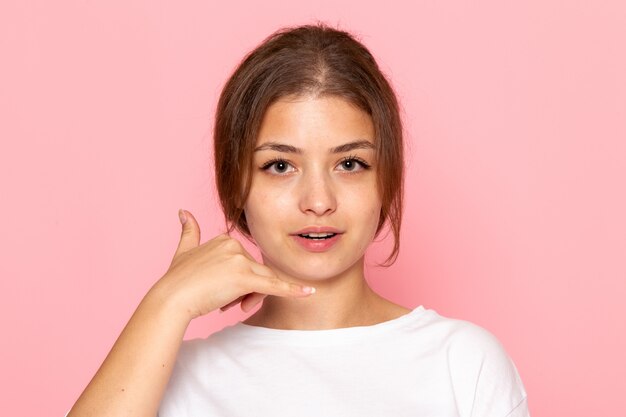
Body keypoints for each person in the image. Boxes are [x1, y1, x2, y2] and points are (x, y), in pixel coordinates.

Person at [67, 23, 529, 417]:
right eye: (280, 166)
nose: (318, 201)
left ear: (385, 179)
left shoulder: (463, 364)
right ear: (236, 184)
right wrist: (166, 304)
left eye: (350, 164)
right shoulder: (172, 378)